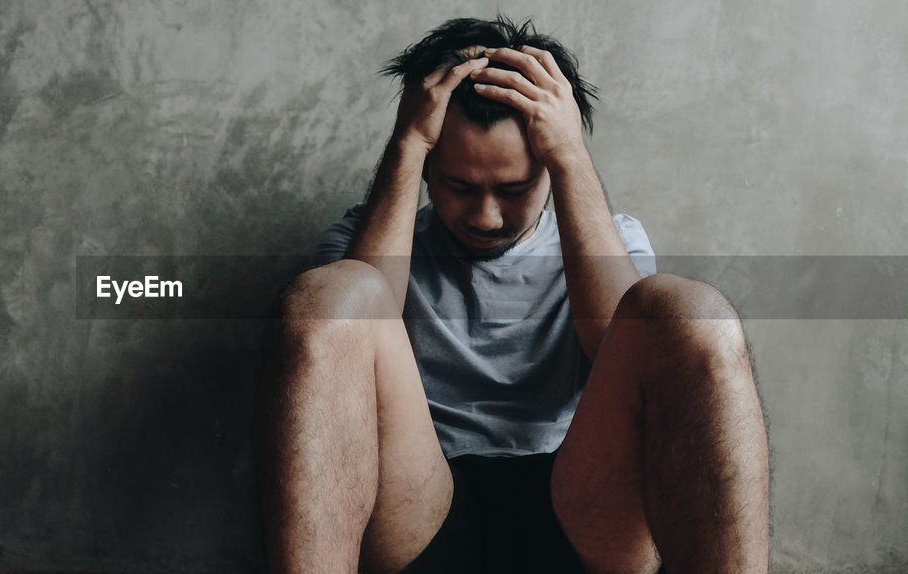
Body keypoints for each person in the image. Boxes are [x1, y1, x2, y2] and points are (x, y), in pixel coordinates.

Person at [253, 16, 771, 574]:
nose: (486, 215)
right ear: (428, 170)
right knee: (333, 295)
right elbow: (357, 340)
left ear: (547, 168)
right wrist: (408, 143)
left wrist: (570, 154)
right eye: (459, 186)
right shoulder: (362, 237)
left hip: (582, 512)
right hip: (420, 510)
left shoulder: (611, 238)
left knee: (691, 313)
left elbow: (612, 339)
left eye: (515, 188)